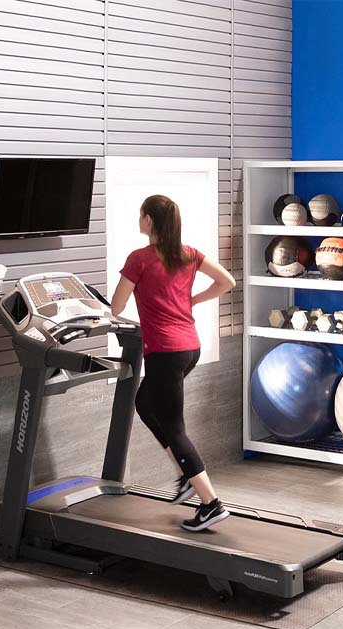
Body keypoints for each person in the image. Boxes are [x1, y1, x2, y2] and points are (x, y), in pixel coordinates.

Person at [111, 194, 236, 531]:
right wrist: (192, 300)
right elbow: (227, 282)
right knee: (144, 403)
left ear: (149, 220)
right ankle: (185, 473)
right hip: (189, 348)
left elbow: (116, 307)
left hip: (164, 353)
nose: (139, 219)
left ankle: (210, 503)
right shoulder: (189, 253)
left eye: (141, 215)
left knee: (175, 428)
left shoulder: (139, 259)